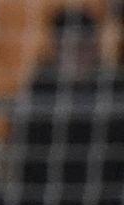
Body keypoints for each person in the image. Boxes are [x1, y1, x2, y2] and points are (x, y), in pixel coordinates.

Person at [11, 7, 124, 193]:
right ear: (56, 49)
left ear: (95, 47)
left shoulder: (113, 87)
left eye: (83, 46)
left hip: (106, 192)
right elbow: (26, 155)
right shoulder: (41, 87)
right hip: (48, 192)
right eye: (69, 48)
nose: (77, 55)